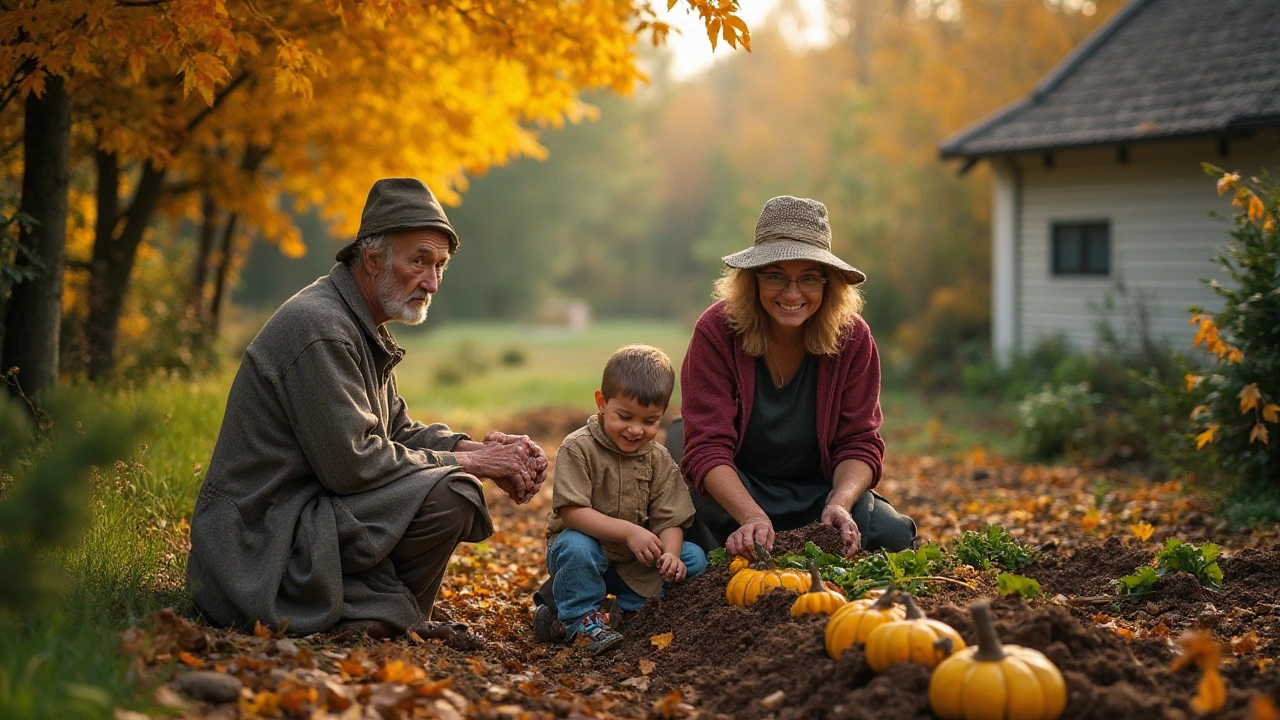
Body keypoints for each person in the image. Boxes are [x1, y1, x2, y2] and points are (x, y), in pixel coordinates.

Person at [186, 178, 548, 648]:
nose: (431, 282)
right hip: (255, 547)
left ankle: (378, 608)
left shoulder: (357, 320)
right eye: (418, 260)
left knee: (452, 486)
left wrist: (477, 449)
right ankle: (375, 610)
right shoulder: (322, 327)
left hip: (302, 520)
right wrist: (474, 464)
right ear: (371, 257)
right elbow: (353, 464)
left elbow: (397, 430)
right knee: (452, 492)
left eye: (439, 266)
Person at [669, 195, 916, 561]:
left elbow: (859, 443)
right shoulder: (717, 331)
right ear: (753, 279)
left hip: (819, 493)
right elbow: (707, 448)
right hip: (738, 488)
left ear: (828, 283)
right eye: (776, 276)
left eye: (809, 278)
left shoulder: (853, 339)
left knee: (891, 534)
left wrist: (841, 503)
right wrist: (750, 515)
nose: (792, 293)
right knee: (676, 520)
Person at [532, 345, 707, 655]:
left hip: (633, 560)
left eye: (650, 421)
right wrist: (629, 531)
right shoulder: (578, 448)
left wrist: (672, 555)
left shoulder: (659, 459)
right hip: (585, 556)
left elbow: (672, 518)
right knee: (576, 545)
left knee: (693, 558)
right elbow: (572, 512)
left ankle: (631, 611)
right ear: (602, 402)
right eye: (624, 417)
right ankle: (580, 619)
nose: (636, 430)